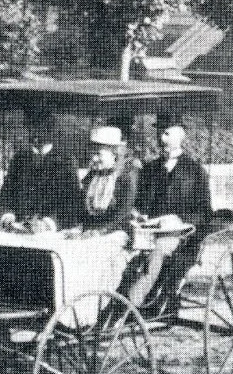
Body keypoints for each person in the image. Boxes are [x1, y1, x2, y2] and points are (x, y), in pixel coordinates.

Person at [126, 119, 212, 314]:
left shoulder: (195, 171)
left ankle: (132, 304)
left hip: (179, 236)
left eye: (167, 133)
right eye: (159, 133)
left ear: (180, 137)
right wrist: (137, 213)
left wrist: (178, 219)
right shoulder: (150, 169)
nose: (161, 138)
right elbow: (138, 202)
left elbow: (205, 212)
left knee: (157, 250)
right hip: (148, 229)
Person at [0, 109, 83, 231]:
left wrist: (48, 223)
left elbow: (72, 201)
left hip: (50, 233)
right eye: (30, 129)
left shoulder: (66, 161)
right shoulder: (19, 158)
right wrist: (7, 216)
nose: (34, 134)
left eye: (39, 129)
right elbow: (6, 194)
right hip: (19, 229)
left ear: (50, 130)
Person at [76, 123, 138, 241]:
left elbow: (122, 214)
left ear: (114, 154)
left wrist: (100, 231)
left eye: (98, 154)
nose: (94, 159)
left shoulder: (125, 178)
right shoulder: (91, 176)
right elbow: (81, 209)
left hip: (116, 231)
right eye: (92, 154)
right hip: (89, 231)